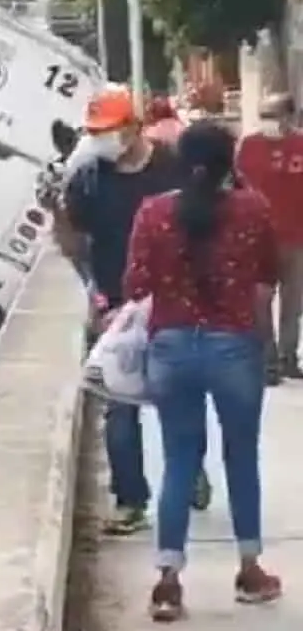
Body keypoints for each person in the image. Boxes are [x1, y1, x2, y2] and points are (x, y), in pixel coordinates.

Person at [123, 120, 282, 621]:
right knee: (241, 457)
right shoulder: (252, 209)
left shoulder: (153, 213)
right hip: (234, 346)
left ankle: (168, 583)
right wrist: (266, 344)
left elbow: (134, 283)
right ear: (228, 162)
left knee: (179, 460)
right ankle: (250, 570)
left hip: (170, 348)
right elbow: (266, 280)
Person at [53, 86, 211, 535]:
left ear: (132, 128)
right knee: (118, 407)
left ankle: (192, 468)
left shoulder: (173, 167)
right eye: (93, 133)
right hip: (117, 308)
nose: (100, 141)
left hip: (175, 299)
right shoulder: (88, 180)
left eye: (107, 131)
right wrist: (57, 212)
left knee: (180, 399)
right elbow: (75, 246)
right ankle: (130, 500)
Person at [236, 92, 303, 384]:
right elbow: (235, 186)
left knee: (294, 302)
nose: (268, 122)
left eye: (273, 115)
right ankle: (268, 362)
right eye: (264, 115)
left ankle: (289, 356)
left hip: (297, 237)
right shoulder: (249, 146)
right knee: (259, 300)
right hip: (258, 238)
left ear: (290, 117)